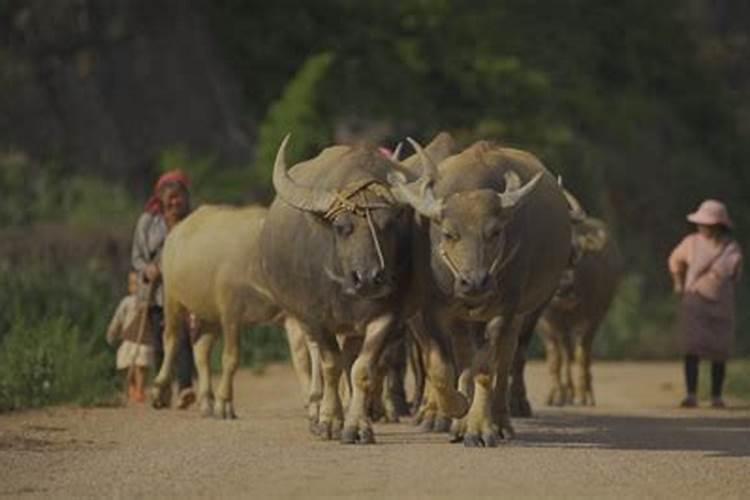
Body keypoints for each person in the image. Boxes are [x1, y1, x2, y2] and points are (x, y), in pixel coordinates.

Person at [131, 169, 197, 409]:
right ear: (160, 198)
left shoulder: (194, 223)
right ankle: (162, 388)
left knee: (185, 339)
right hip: (157, 293)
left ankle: (186, 387)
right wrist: (148, 269)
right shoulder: (148, 223)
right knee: (160, 341)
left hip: (185, 290)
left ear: (186, 198)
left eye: (179, 196)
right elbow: (137, 257)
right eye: (170, 197)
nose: (174, 201)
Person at [668, 199, 743, 408]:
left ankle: (716, 396)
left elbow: (734, 273)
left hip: (721, 306)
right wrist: (678, 282)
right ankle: (691, 394)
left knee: (720, 350)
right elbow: (674, 260)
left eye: (708, 225)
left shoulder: (731, 248)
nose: (703, 228)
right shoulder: (691, 242)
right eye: (702, 224)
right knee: (692, 347)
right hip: (695, 303)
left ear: (719, 226)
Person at [106, 271, 153, 403]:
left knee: (141, 364)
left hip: (144, 338)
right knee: (124, 363)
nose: (135, 287)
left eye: (139, 284)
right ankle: (131, 386)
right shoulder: (127, 302)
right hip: (128, 337)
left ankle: (140, 389)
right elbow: (118, 317)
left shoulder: (149, 302)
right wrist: (112, 331)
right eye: (132, 284)